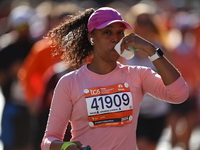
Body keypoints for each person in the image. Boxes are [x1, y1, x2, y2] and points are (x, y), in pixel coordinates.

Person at [41, 7, 189, 150]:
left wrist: (151, 50)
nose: (115, 38)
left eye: (120, 33)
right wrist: (66, 147)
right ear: (91, 38)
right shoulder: (69, 82)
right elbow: (49, 140)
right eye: (107, 32)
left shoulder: (138, 75)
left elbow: (179, 94)